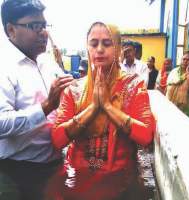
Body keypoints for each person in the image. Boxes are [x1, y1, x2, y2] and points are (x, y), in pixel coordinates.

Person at [47, 22, 155, 200]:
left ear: (118, 48)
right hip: (77, 182)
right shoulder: (74, 90)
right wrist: (93, 109)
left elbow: (145, 137)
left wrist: (108, 107)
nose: (99, 49)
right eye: (93, 43)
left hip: (120, 185)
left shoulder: (134, 86)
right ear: (87, 47)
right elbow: (57, 140)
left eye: (107, 43)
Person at [0, 0, 73, 200]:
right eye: (34, 26)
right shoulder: (4, 68)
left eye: (44, 25)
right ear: (11, 30)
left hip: (53, 167)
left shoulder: (48, 62)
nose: (43, 32)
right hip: (15, 174)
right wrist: (46, 107)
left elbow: (69, 97)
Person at [166, 51, 189, 119]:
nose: (185, 61)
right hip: (173, 106)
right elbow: (168, 86)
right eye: (184, 59)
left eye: (188, 60)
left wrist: (188, 71)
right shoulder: (174, 71)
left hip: (187, 110)